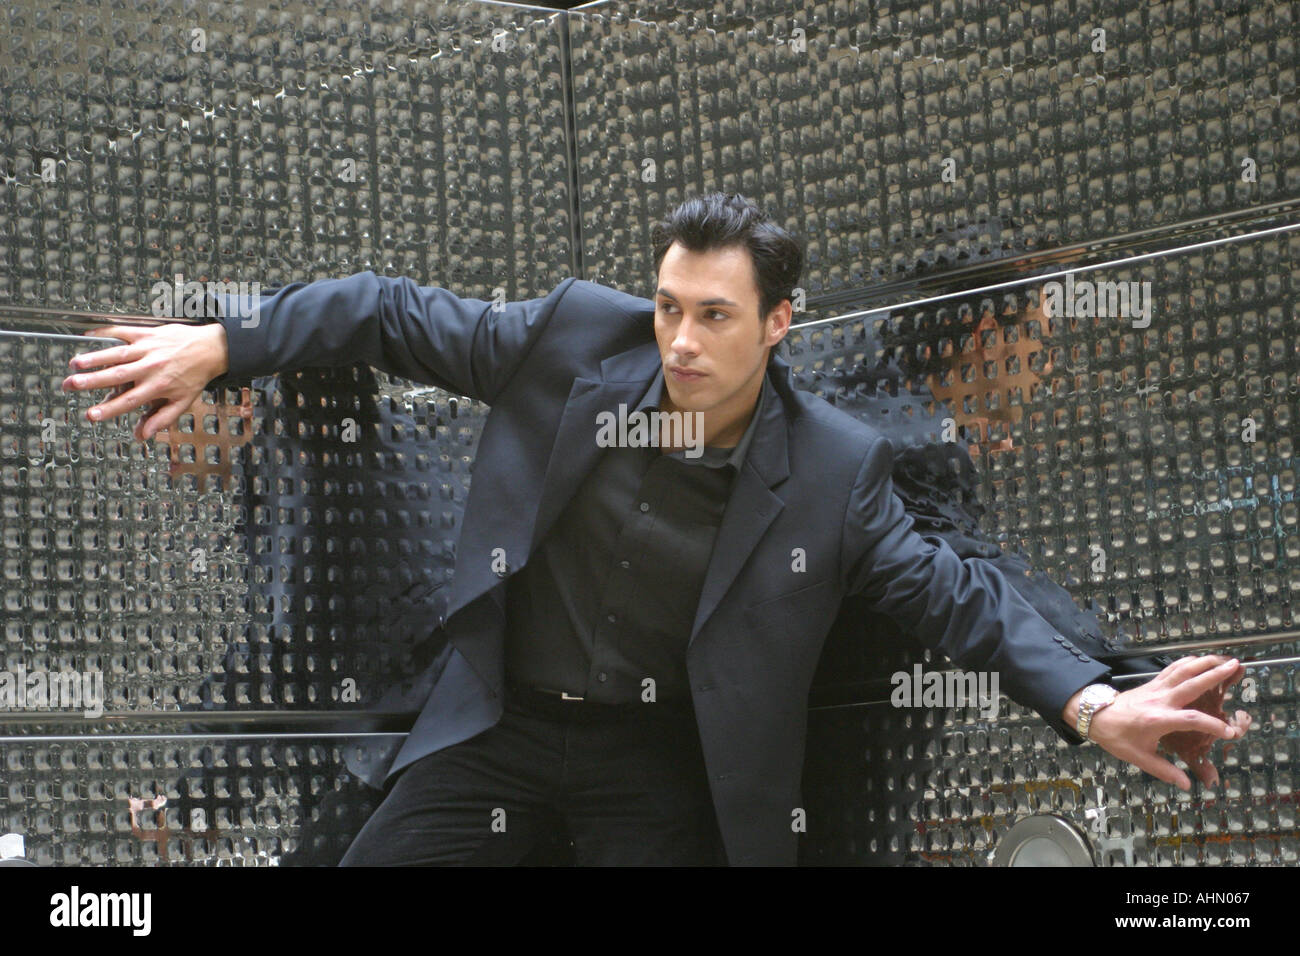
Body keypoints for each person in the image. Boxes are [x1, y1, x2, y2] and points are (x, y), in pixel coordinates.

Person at [62, 192, 1252, 865]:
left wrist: (1098, 703)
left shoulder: (836, 467)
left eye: (715, 315)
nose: (680, 337)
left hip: (656, 762)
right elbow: (387, 311)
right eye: (669, 304)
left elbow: (962, 593)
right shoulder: (575, 338)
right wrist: (228, 342)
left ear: (777, 324)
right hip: (499, 731)